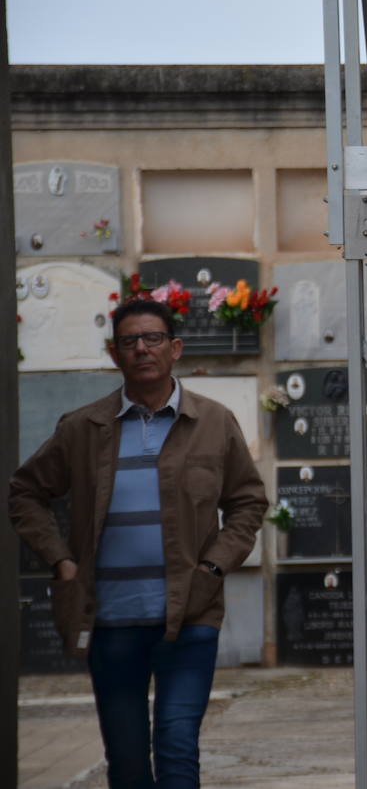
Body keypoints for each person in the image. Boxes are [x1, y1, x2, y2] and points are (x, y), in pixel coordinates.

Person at [9, 298, 267, 788]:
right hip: (109, 622)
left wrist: (212, 568)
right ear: (114, 354)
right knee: (127, 763)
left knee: (175, 746)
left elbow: (248, 502)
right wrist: (62, 561)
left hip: (189, 617)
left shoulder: (213, 422)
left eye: (152, 339)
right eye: (129, 342)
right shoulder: (82, 428)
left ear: (175, 349)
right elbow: (25, 493)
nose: (141, 350)